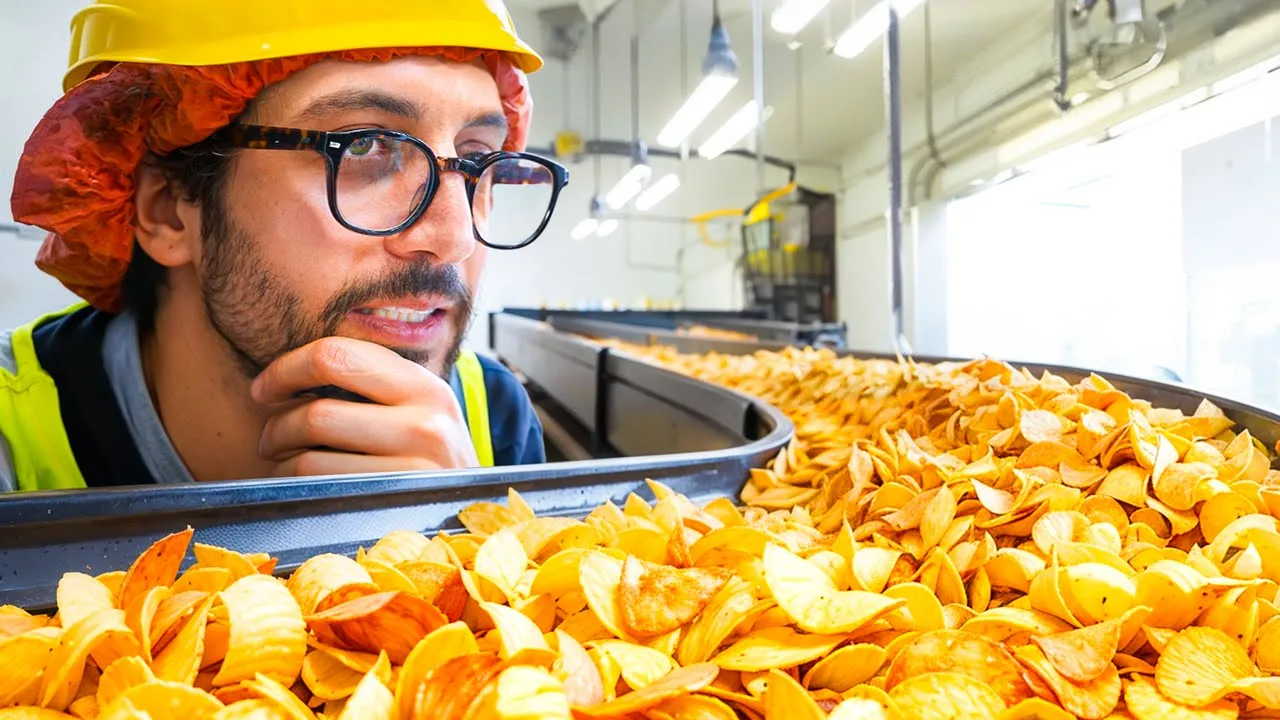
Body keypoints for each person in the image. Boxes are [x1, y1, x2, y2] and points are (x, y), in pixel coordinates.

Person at [0, 1, 571, 492]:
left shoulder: (489, 416)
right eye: (364, 147)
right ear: (169, 209)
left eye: (477, 160)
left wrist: (461, 526)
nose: (454, 238)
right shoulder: (14, 434)